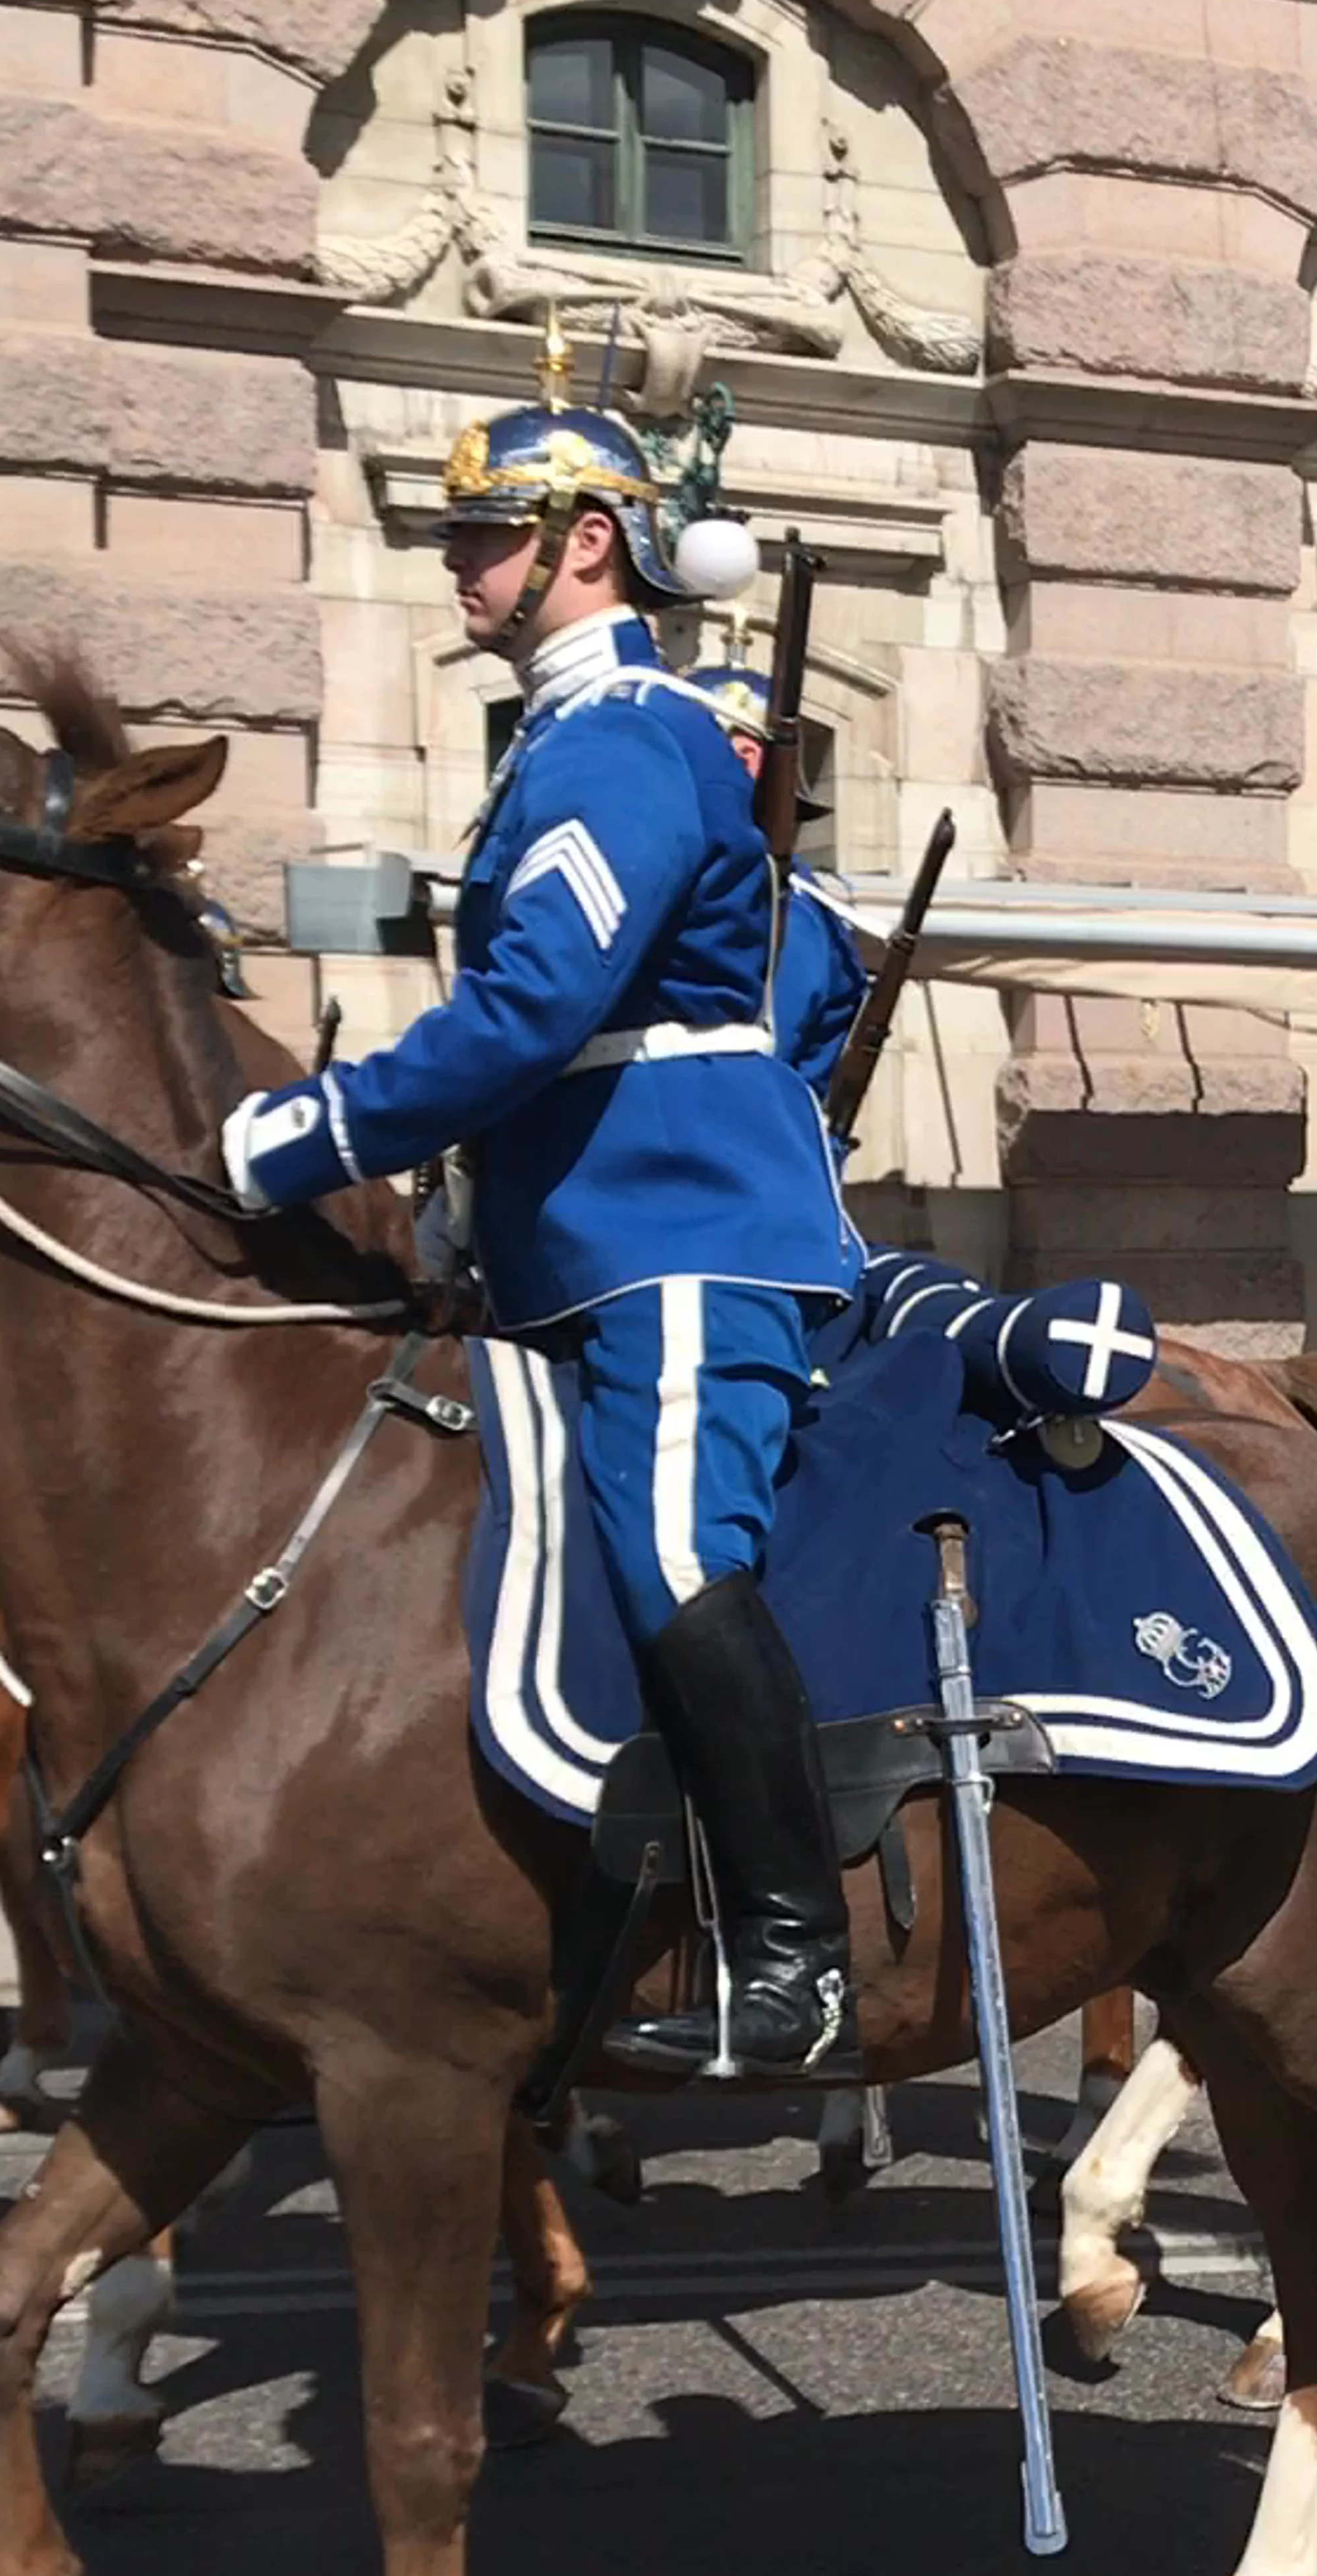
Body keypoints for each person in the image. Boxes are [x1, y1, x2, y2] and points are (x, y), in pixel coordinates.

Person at [221, 351, 867, 2081]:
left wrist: (305, 1131)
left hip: (677, 1228)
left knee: (668, 1553)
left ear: (590, 541)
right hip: (581, 1233)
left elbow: (526, 1015)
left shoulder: (631, 743)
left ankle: (800, 1957)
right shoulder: (572, 747)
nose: (459, 565)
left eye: (486, 536)